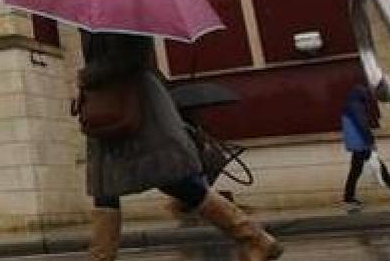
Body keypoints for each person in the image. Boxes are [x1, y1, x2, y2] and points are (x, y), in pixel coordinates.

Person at [81, 32, 281, 261]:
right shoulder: (95, 18)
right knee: (106, 186)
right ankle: (101, 255)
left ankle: (254, 238)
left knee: (173, 180)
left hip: (135, 107)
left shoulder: (125, 11)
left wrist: (87, 75)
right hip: (110, 106)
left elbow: (130, 57)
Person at [341, 83, 390, 211]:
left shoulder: (349, 105)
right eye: (365, 94)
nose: (367, 97)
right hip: (362, 144)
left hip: (357, 144)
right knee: (381, 169)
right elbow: (362, 125)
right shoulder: (356, 106)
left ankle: (349, 198)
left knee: (356, 171)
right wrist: (371, 141)